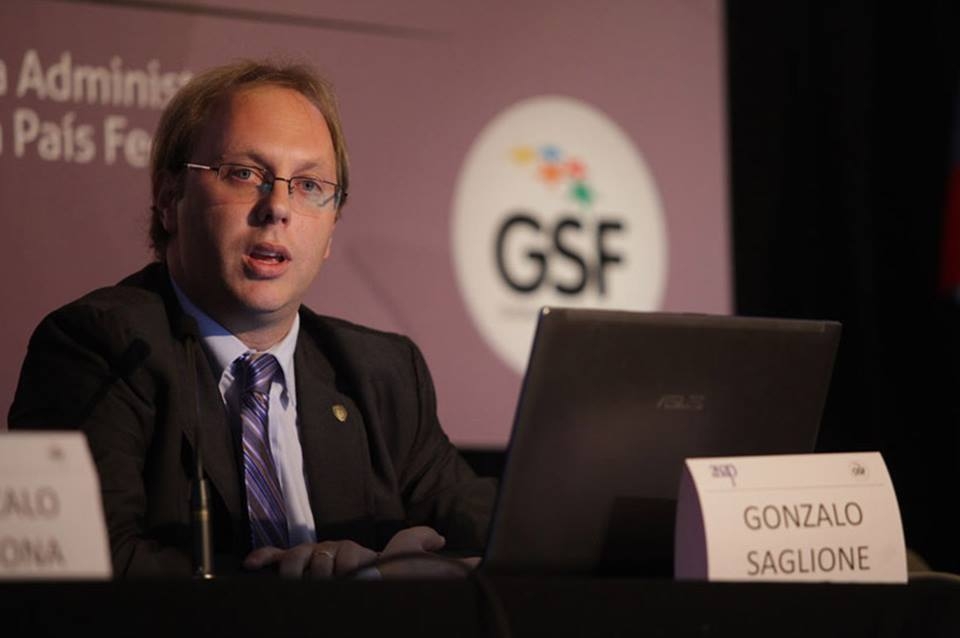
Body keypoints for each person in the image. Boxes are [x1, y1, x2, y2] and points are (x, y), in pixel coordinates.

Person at [8, 59, 496, 579]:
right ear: (170, 200)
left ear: (331, 228)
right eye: (244, 174)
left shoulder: (383, 374)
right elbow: (93, 570)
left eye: (308, 185)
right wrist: (317, 588)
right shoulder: (100, 348)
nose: (277, 207)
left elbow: (500, 538)